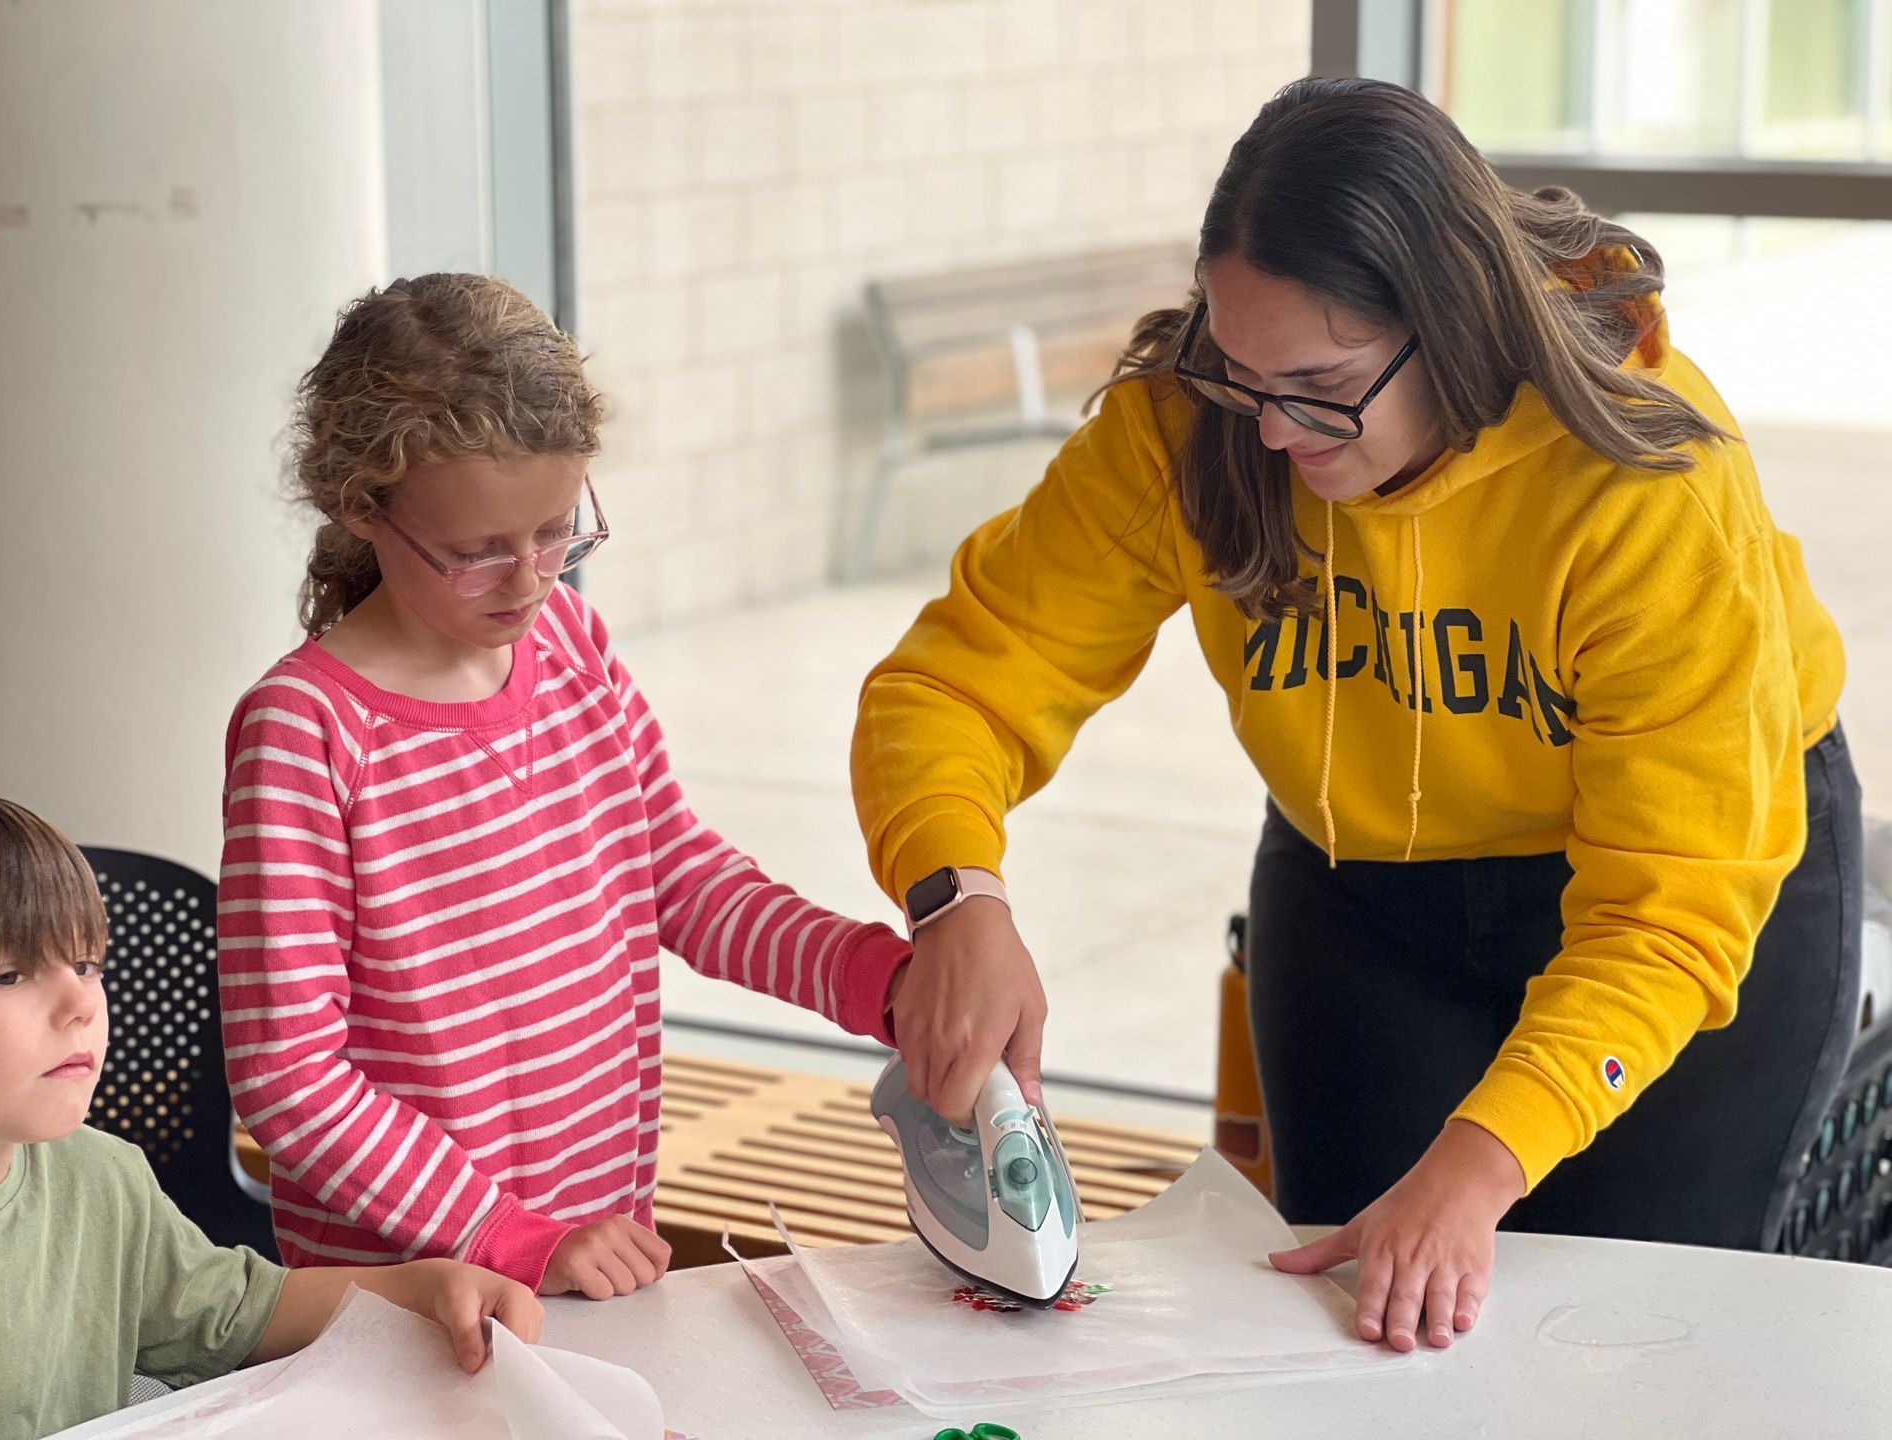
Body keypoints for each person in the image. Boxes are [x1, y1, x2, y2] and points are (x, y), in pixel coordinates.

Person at [852, 77, 1859, 1353]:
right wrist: (957, 897)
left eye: (1319, 385)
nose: (1272, 432)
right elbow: (958, 682)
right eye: (1242, 374)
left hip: (1687, 889)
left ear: (1450, 323)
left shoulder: (1644, 483)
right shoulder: (1191, 427)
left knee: (1639, 1344)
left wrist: (1479, 1165)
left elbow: (1666, 911)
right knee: (1348, 1330)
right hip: (1366, 881)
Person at [221, 274, 912, 1298]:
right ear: (362, 505)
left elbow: (678, 877)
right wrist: (509, 1238)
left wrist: (877, 980)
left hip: (593, 1266)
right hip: (418, 1301)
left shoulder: (572, 648)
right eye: (476, 554)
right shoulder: (306, 732)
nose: (530, 580)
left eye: (556, 532)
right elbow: (291, 1078)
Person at [0, 795, 542, 1440]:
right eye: (10, 976)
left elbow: (241, 1313)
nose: (81, 1003)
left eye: (86, 965)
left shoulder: (103, 1178)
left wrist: (426, 1287)